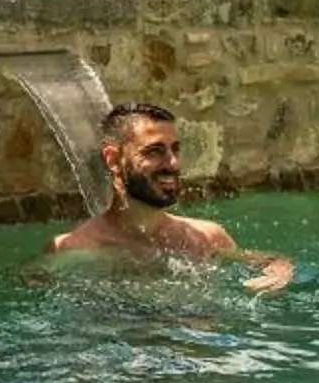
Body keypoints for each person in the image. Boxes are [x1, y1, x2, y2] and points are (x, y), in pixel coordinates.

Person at [51, 102, 294, 293]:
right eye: (155, 151)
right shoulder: (75, 248)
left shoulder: (207, 238)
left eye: (175, 149)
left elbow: (269, 260)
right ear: (113, 160)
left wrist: (280, 269)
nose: (173, 163)